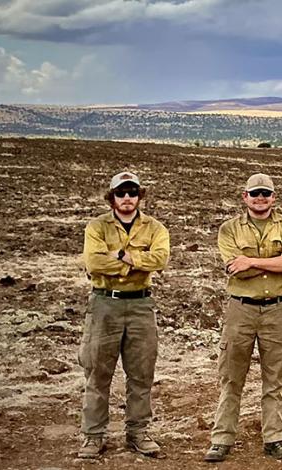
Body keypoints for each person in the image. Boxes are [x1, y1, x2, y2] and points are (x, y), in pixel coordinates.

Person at [204, 174, 282, 462]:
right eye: (255, 193)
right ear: (244, 197)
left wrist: (251, 261)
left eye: (266, 193)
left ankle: (275, 438)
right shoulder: (229, 229)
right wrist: (273, 265)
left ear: (274, 197)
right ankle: (221, 439)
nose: (260, 198)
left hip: (277, 310)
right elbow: (235, 268)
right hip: (241, 311)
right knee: (231, 378)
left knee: (275, 379)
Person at [77, 171, 170, 459]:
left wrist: (122, 256)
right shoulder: (97, 227)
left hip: (141, 306)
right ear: (112, 197)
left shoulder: (155, 228)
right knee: (98, 372)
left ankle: (138, 433)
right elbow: (93, 261)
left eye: (132, 192)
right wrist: (136, 264)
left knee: (141, 374)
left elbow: (161, 259)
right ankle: (93, 436)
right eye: (121, 193)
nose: (127, 198)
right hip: (105, 305)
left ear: (140, 196)